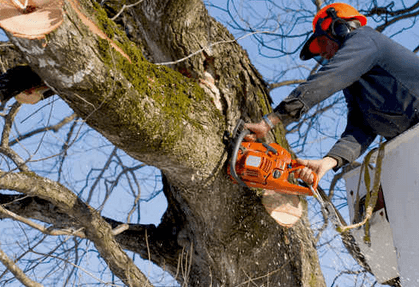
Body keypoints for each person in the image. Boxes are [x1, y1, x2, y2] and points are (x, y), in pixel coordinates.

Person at [246, 2, 419, 184]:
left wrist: (270, 121)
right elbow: (360, 128)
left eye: (323, 43)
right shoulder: (356, 84)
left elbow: (328, 79)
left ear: (340, 28)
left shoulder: (365, 39)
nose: (325, 55)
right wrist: (328, 162)